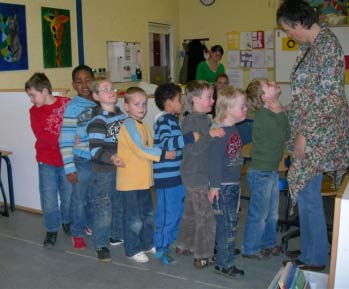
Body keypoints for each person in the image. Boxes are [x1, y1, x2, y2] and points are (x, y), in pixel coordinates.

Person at [277, 0, 349, 271]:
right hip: (312, 127)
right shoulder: (311, 47)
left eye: (287, 29)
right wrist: (290, 108)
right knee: (307, 195)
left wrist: (304, 134)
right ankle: (312, 250)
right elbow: (310, 93)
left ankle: (316, 257)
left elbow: (330, 99)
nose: (288, 35)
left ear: (300, 23)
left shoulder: (327, 47)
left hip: (320, 133)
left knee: (307, 194)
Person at [116, 87, 176, 263]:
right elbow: (140, 149)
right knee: (133, 219)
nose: (142, 107)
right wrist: (163, 153)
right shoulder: (128, 125)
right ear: (126, 106)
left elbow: (150, 144)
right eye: (137, 104)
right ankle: (132, 249)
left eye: (144, 104)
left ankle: (147, 243)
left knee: (147, 216)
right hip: (130, 183)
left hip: (143, 181)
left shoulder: (142, 125)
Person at [176, 80, 225, 269]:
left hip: (199, 173)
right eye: (209, 97)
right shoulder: (190, 121)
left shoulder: (205, 119)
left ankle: (184, 245)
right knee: (206, 216)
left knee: (190, 212)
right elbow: (194, 150)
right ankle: (203, 254)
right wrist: (210, 136)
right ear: (195, 99)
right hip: (196, 176)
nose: (213, 100)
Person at [242, 78, 290, 260]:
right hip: (260, 172)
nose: (273, 82)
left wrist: (279, 111)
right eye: (268, 84)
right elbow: (283, 133)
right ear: (263, 97)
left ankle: (268, 243)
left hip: (270, 171)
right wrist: (279, 112)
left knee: (271, 213)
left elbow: (285, 133)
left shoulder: (273, 112)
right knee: (259, 214)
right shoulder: (264, 115)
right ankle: (250, 248)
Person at [153, 83, 200, 265]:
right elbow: (166, 143)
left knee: (177, 211)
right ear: (168, 102)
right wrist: (188, 137)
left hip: (176, 176)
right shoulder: (165, 121)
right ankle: (161, 248)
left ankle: (170, 240)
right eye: (179, 99)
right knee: (167, 215)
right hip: (166, 178)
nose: (182, 103)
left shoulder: (172, 120)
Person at [26, 73, 72, 248]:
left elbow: (79, 124)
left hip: (67, 160)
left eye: (33, 95)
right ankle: (52, 229)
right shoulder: (34, 112)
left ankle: (67, 221)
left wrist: (77, 137)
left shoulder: (67, 103)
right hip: (46, 161)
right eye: (29, 96)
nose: (31, 100)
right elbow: (43, 137)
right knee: (49, 198)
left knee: (68, 195)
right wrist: (69, 139)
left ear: (44, 91)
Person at [86, 77, 127, 262]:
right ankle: (101, 244)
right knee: (103, 206)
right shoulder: (97, 120)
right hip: (104, 171)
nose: (111, 91)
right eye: (105, 89)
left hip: (120, 168)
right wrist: (112, 158)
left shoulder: (122, 115)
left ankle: (116, 234)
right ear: (96, 96)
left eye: (112, 88)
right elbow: (95, 149)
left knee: (118, 201)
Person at [208, 86, 247, 278]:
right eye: (242, 106)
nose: (246, 109)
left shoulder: (233, 129)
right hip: (223, 187)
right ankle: (224, 263)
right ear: (229, 109)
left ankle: (224, 252)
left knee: (228, 224)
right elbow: (214, 162)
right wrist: (214, 186)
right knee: (227, 225)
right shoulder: (220, 133)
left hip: (232, 185)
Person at [59, 65, 96, 249]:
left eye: (88, 79)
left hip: (100, 160)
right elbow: (65, 138)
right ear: (74, 85)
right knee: (80, 199)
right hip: (81, 160)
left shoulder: (101, 102)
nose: (84, 84)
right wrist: (69, 166)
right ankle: (77, 231)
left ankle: (89, 223)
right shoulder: (73, 108)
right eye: (79, 81)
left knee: (94, 196)